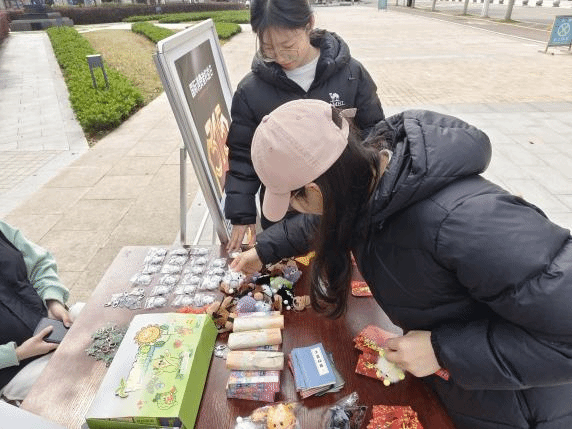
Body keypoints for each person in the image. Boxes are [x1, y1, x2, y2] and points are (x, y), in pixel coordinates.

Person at [231, 99, 572, 429]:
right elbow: (330, 217)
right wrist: (265, 250)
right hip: (464, 388)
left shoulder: (464, 222)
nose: (297, 211)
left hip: (525, 408)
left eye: (294, 201)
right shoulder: (366, 184)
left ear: (316, 190)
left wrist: (442, 352)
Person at [224, 0, 384, 252]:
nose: (280, 57)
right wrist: (241, 212)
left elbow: (376, 132)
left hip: (343, 208)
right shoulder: (251, 92)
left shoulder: (351, 74)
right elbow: (243, 156)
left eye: (288, 46)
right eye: (268, 48)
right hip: (285, 215)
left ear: (309, 24)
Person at [0, 220, 75, 404]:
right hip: (14, 368)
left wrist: (53, 301)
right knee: (76, 385)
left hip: (51, 326)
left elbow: (39, 264)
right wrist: (17, 353)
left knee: (109, 326)